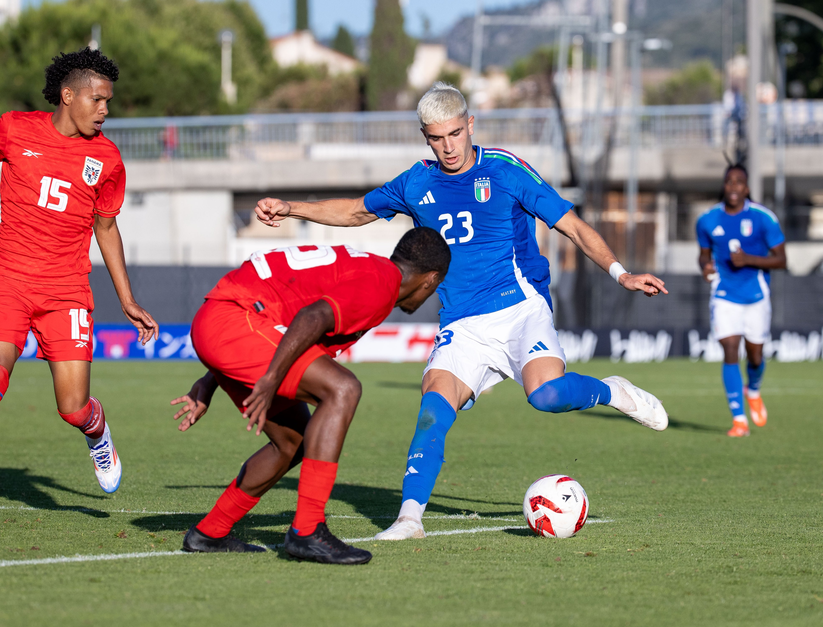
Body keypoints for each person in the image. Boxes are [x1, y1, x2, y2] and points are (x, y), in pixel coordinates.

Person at [253, 82, 670, 541]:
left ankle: (611, 392)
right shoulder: (416, 182)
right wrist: (291, 208)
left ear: (470, 124)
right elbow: (355, 211)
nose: (448, 146)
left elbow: (572, 225)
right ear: (424, 136)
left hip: (520, 309)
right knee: (432, 409)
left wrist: (621, 273)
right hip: (460, 323)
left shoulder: (507, 171)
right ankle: (409, 519)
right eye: (436, 137)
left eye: (455, 133)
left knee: (547, 396)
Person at [170, 228, 450, 564]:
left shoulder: (372, 271)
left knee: (293, 441)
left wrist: (210, 379)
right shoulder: (381, 283)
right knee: (343, 389)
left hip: (227, 321)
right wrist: (271, 378)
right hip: (233, 320)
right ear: (431, 280)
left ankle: (210, 532)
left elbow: (281, 312)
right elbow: (311, 317)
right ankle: (307, 530)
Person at [0, 47, 158, 493]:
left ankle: (99, 437)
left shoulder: (106, 160)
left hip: (65, 292)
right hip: (7, 281)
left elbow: (106, 228)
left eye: (109, 101)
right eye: (98, 100)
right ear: (68, 95)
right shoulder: (14, 128)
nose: (105, 110)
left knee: (73, 408)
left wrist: (127, 299)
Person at [697, 164, 786, 437]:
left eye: (739, 182)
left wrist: (748, 259)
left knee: (756, 355)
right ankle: (739, 420)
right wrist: (705, 267)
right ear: (724, 186)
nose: (733, 186)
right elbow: (703, 254)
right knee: (730, 349)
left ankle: (754, 389)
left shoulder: (763, 218)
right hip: (724, 295)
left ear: (746, 188)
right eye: (729, 181)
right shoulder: (707, 220)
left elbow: (782, 260)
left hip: (756, 296)